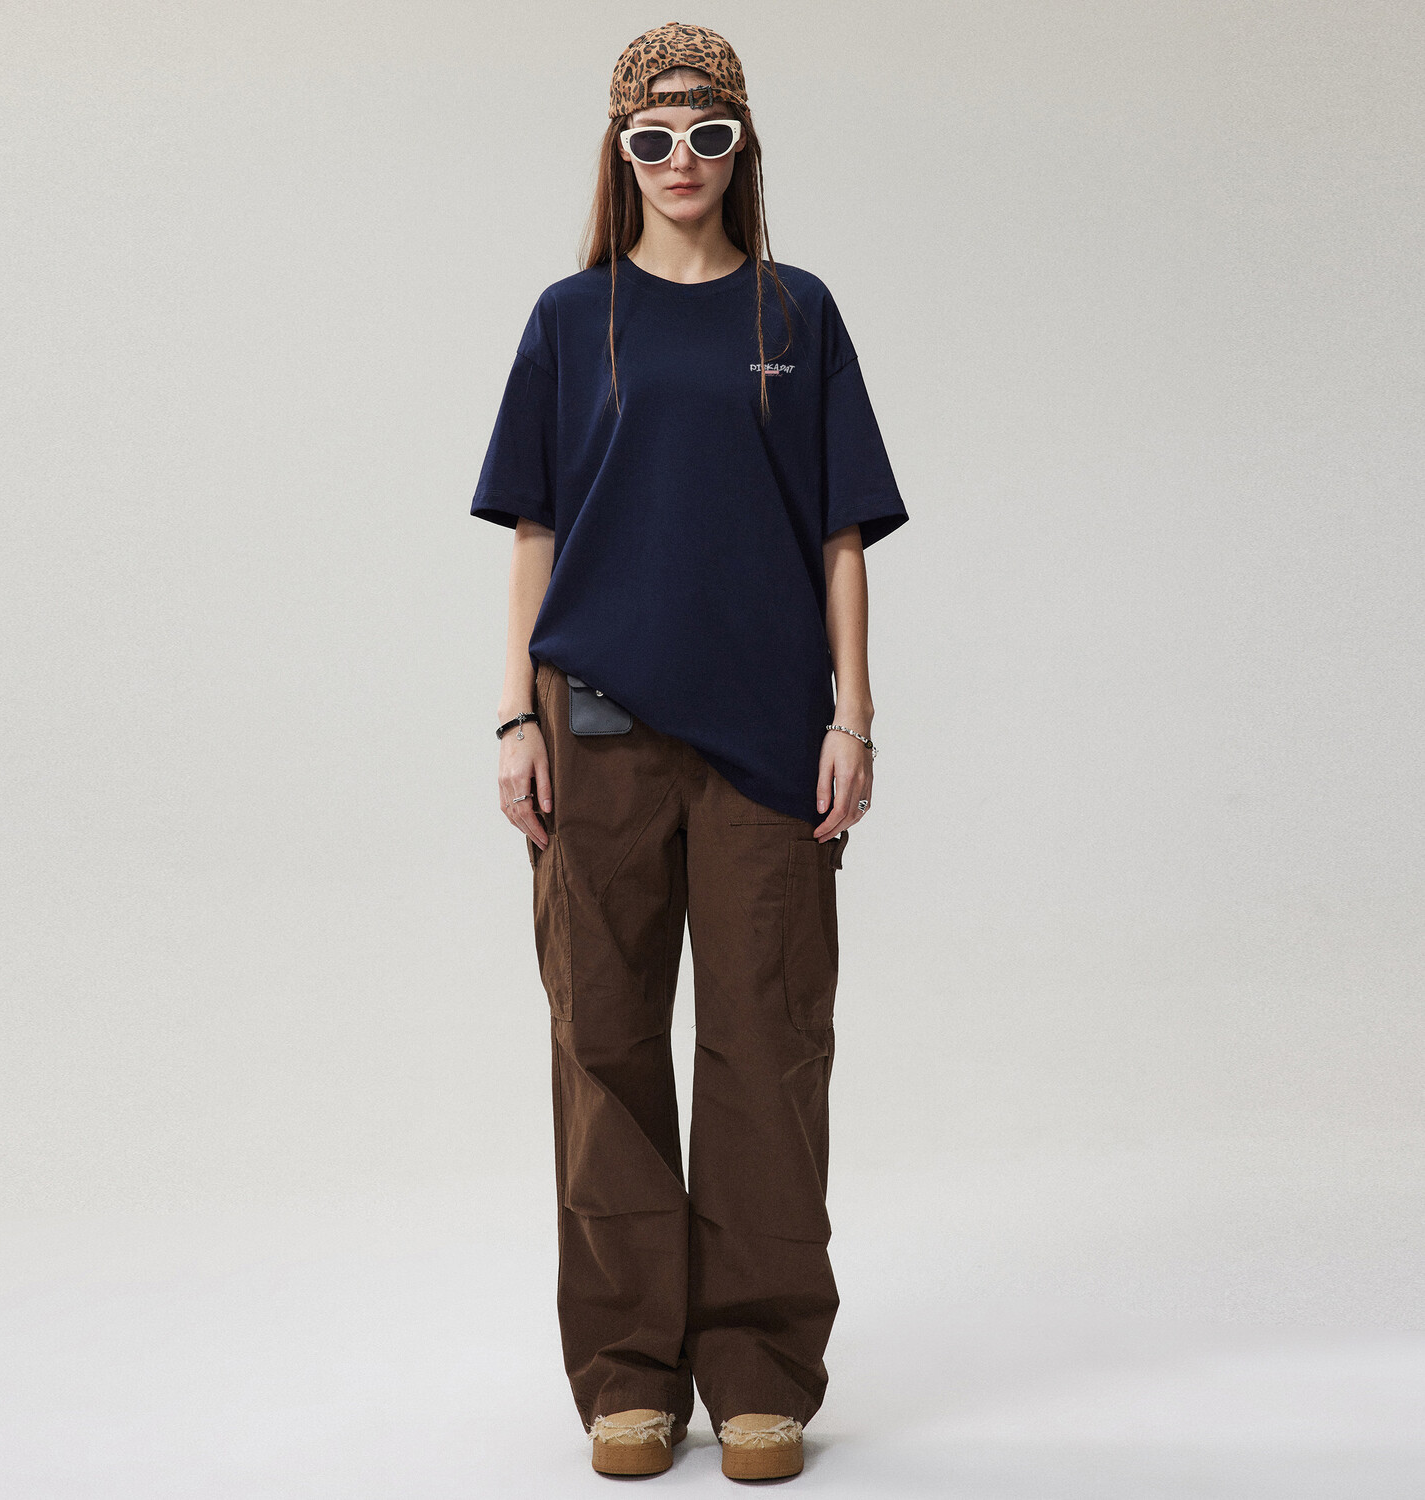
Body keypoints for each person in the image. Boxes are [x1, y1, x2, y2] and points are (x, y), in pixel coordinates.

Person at [469, 21, 908, 1482]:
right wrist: (515, 717)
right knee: (602, 1046)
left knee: (768, 1047)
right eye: (651, 138)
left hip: (769, 739)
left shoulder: (798, 311)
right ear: (619, 151)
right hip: (593, 730)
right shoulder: (569, 319)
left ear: (741, 146)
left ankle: (764, 1369)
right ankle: (628, 1373)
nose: (678, 160)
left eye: (705, 134)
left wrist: (852, 716)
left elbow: (841, 535)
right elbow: (534, 531)